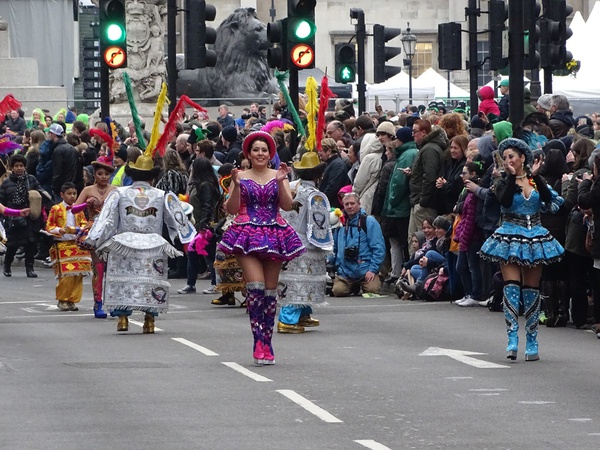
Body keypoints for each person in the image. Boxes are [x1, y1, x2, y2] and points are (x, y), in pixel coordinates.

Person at [218, 131, 305, 365]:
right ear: (248, 153)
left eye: (264, 150)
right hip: (246, 233)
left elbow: (287, 205)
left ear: (270, 154)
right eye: (256, 150)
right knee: (255, 289)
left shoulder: (279, 175)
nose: (260, 154)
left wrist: (280, 182)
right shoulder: (240, 176)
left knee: (269, 293)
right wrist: (236, 185)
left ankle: (268, 341)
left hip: (275, 232)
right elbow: (233, 208)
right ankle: (258, 340)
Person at [84, 153, 196, 334]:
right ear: (152, 176)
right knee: (150, 282)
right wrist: (183, 237)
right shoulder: (162, 195)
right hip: (153, 245)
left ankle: (122, 319)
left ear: (131, 174)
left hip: (123, 244)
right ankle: (149, 319)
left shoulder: (119, 193)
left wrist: (99, 240)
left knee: (123, 282)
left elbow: (108, 220)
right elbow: (176, 221)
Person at [479, 138, 564, 361]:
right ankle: (512, 338)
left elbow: (548, 201)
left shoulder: (536, 180)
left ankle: (533, 339)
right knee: (511, 287)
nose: (508, 161)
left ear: (522, 158)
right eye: (505, 158)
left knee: (531, 290)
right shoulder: (501, 182)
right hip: (509, 235)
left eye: (512, 157)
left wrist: (535, 176)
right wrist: (508, 177)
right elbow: (505, 202)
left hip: (535, 236)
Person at [277, 151, 333, 334]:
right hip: (305, 243)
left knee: (294, 279)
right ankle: (288, 318)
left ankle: (303, 313)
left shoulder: (290, 187)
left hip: (284, 239)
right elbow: (320, 227)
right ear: (319, 174)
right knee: (301, 279)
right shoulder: (316, 195)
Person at [75, 159, 118, 318]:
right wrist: (84, 204)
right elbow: (74, 209)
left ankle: (114, 303)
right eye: (100, 174)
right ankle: (98, 303)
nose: (104, 177)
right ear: (95, 174)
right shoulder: (88, 189)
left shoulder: (116, 190)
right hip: (94, 229)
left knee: (113, 268)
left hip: (112, 230)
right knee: (98, 267)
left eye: (107, 174)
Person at [0, 154, 51, 278]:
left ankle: (30, 268)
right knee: (13, 244)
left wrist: (36, 197)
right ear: (12, 167)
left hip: (30, 217)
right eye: (16, 166)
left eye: (21, 166)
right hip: (13, 217)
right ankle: (7, 265)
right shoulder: (6, 183)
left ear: (25, 167)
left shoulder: (31, 179)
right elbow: (2, 201)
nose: (19, 168)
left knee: (30, 244)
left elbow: (41, 192)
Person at [178, 156, 221, 295]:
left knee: (209, 255)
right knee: (192, 254)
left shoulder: (206, 185)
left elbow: (207, 205)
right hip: (196, 225)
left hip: (205, 227)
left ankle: (215, 283)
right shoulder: (198, 184)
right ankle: (191, 284)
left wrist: (204, 225)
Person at [46, 182, 92, 311]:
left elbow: (84, 223)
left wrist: (80, 229)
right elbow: (49, 226)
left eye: (74, 194)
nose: (72, 196)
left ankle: (72, 300)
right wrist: (58, 230)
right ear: (62, 194)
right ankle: (63, 299)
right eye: (69, 194)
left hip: (77, 244)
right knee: (66, 274)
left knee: (78, 274)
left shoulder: (79, 209)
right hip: (62, 245)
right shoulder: (56, 208)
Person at [329, 192, 385, 296]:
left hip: (365, 270)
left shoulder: (369, 221)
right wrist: (331, 264)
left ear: (359, 204)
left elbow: (379, 248)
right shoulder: (339, 222)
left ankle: (369, 281)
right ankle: (352, 286)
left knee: (372, 290)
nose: (349, 207)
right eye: (346, 204)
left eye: (352, 203)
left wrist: (373, 269)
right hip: (345, 271)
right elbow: (334, 246)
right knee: (338, 291)